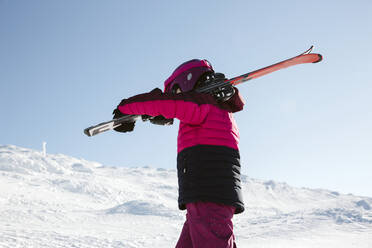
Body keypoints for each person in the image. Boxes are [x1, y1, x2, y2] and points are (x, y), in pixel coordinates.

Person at [113, 59, 245, 248]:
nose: (177, 96)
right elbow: (169, 108)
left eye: (176, 91)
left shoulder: (200, 104)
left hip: (207, 195)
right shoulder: (218, 109)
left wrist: (125, 107)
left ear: (186, 82)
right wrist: (155, 114)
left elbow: (164, 103)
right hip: (206, 197)